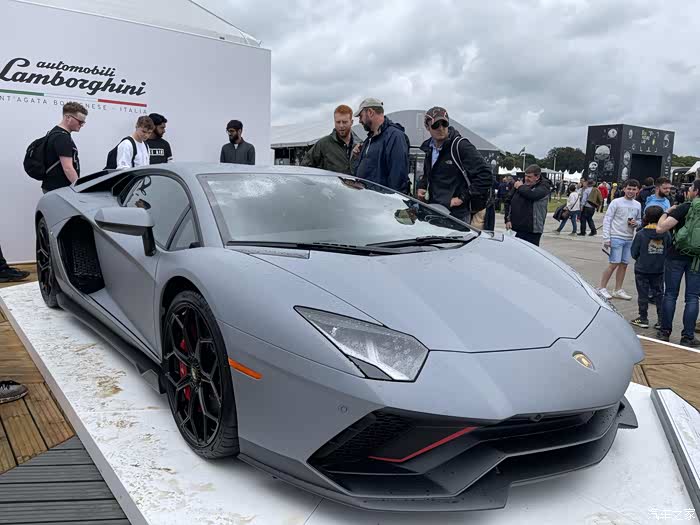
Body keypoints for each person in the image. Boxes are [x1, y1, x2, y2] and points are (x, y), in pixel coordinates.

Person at [416, 107, 493, 224]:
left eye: (444, 123)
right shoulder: (429, 149)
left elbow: (486, 175)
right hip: (434, 210)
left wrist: (462, 198)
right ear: (427, 127)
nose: (441, 128)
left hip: (457, 215)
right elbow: (428, 175)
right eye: (436, 125)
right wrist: (422, 186)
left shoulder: (461, 146)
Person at [656, 179, 700, 346]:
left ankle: (665, 332)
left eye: (691, 188)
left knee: (670, 294)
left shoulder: (684, 207)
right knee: (692, 297)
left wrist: (666, 212)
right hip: (696, 260)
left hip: (675, 256)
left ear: (696, 191)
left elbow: (661, 229)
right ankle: (688, 336)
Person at [597, 179, 642, 300]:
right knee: (614, 263)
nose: (631, 191)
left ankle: (618, 289)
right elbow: (608, 219)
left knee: (624, 264)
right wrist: (606, 237)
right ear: (624, 189)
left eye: (633, 189)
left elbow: (639, 220)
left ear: (637, 190)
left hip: (629, 238)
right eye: (629, 188)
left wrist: (636, 223)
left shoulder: (637, 205)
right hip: (616, 236)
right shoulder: (616, 202)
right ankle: (601, 287)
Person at [353, 98, 409, 193]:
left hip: (381, 200)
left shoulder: (395, 137)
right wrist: (357, 157)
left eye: (361, 116)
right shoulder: (369, 140)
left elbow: (397, 180)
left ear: (370, 112)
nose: (360, 121)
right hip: (367, 198)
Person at [630, 205, 671, 329]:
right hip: (659, 269)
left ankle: (643, 318)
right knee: (659, 294)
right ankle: (661, 320)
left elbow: (634, 252)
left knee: (643, 294)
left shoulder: (641, 234)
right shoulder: (666, 233)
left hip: (642, 269)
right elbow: (669, 249)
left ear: (645, 217)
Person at [301, 105, 362, 175]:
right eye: (338, 122)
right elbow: (304, 168)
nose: (341, 126)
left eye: (344, 122)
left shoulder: (360, 145)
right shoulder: (323, 144)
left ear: (351, 122)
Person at [42, 101, 87, 193]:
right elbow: (68, 168)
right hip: (59, 190)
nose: (82, 125)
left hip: (51, 187)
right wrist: (79, 188)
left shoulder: (54, 132)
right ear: (68, 118)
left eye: (83, 122)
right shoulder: (62, 138)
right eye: (80, 122)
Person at [504, 164, 552, 246]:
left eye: (529, 177)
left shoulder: (544, 187)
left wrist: (520, 187)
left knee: (530, 252)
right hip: (515, 228)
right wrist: (507, 220)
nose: (526, 178)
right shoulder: (519, 184)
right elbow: (508, 201)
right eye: (525, 176)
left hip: (532, 230)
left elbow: (533, 195)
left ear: (537, 177)